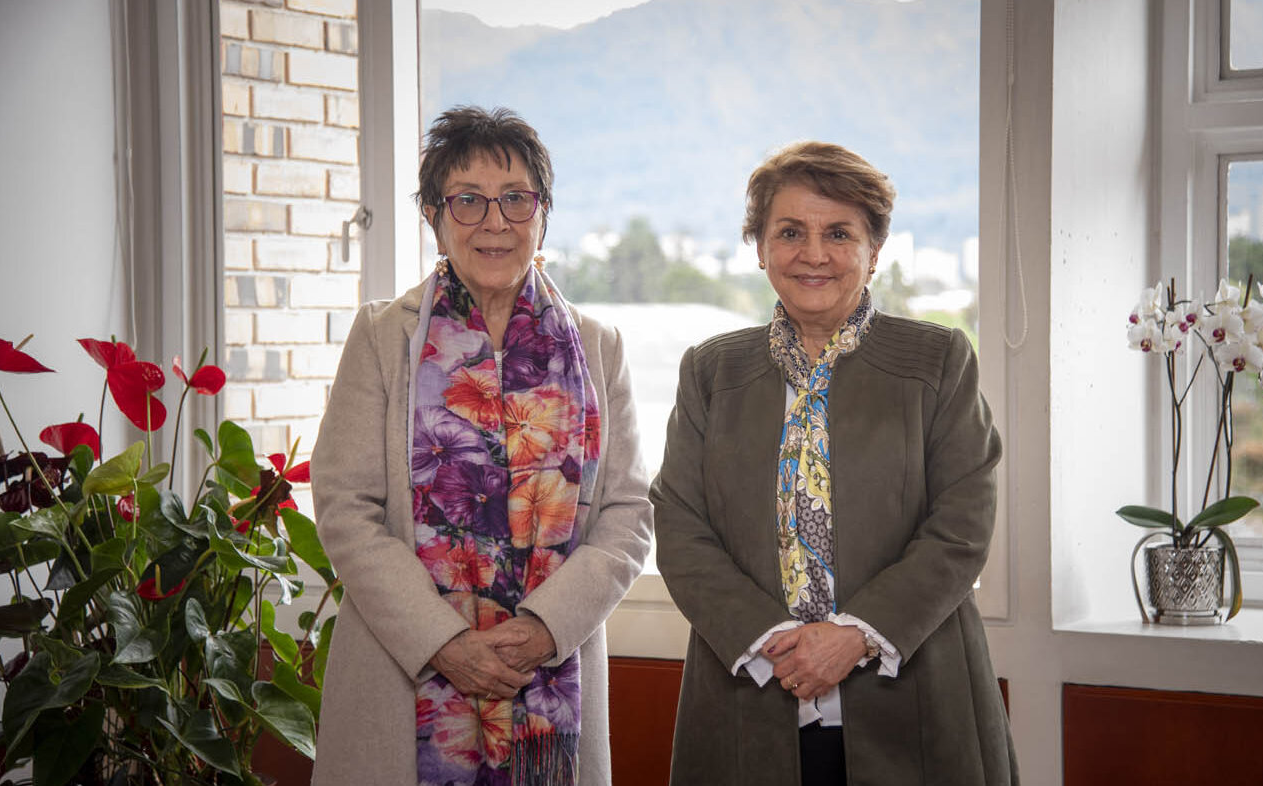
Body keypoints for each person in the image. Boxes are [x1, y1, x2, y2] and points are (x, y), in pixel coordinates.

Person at [651, 141, 1018, 785]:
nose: (813, 254)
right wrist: (775, 642)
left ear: (873, 252)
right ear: (760, 248)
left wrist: (853, 636)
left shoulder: (938, 361)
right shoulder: (710, 371)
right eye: (790, 231)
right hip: (752, 694)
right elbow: (680, 527)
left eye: (839, 233)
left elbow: (962, 526)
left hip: (915, 702)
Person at [310, 106, 653, 786]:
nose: (494, 222)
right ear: (435, 217)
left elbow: (627, 514)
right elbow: (347, 507)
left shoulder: (598, 347)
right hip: (402, 680)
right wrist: (444, 641)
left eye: (515, 199)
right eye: (467, 200)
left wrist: (545, 629)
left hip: (550, 676)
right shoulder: (383, 339)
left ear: (543, 212)